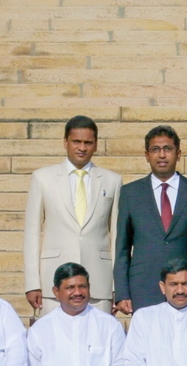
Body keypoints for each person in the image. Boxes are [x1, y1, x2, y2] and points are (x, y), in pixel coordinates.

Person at [23, 115, 122, 316]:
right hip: (54, 283)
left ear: (96, 144)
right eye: (76, 141)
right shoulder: (42, 178)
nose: (82, 148)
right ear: (65, 142)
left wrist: (116, 286)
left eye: (88, 143)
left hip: (99, 284)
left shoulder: (112, 180)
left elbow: (118, 238)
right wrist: (33, 283)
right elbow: (31, 234)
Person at [114, 125, 187, 314]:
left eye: (168, 149)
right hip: (143, 287)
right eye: (155, 149)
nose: (162, 155)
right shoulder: (130, 193)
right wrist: (122, 293)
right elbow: (122, 247)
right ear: (147, 155)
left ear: (178, 154)